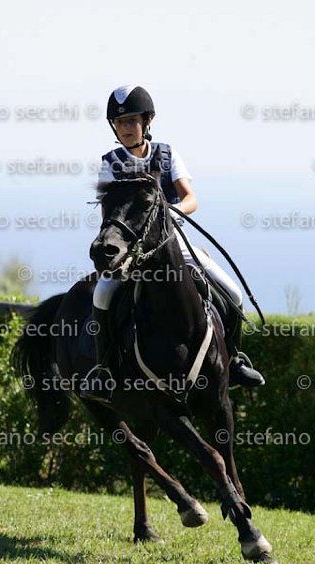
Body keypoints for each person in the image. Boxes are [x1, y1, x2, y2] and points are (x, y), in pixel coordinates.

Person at [82, 85, 264, 401]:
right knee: (102, 294)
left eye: (132, 120)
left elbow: (191, 198)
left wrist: (168, 210)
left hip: (172, 242)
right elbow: (109, 213)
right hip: (132, 250)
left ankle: (234, 360)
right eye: (120, 122)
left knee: (233, 292)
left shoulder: (167, 155)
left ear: (147, 121)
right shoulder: (110, 163)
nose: (126, 128)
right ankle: (105, 370)